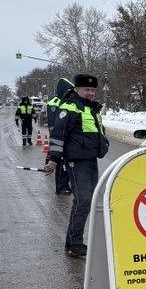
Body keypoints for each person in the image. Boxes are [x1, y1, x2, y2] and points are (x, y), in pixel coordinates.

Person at [44, 74, 108, 257]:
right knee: (84, 201)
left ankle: (72, 242)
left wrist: (105, 144)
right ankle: (75, 243)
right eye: (87, 90)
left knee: (85, 201)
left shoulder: (91, 109)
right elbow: (58, 135)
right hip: (76, 161)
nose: (91, 93)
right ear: (77, 90)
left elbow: (98, 132)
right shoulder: (70, 107)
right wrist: (53, 160)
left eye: (93, 90)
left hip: (90, 160)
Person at [45, 77, 74, 195]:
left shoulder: (65, 102)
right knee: (60, 162)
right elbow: (54, 123)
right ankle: (61, 187)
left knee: (65, 162)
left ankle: (65, 184)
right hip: (58, 136)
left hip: (65, 137)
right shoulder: (55, 103)